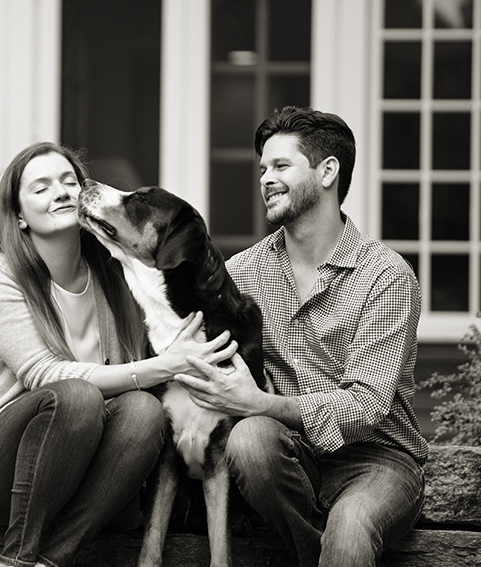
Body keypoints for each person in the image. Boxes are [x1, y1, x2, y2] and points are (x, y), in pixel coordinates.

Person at [0, 141, 234, 567]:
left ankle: (53, 559)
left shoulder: (113, 276)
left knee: (144, 409)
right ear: (17, 215)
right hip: (0, 471)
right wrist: (165, 365)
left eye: (70, 181)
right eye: (42, 187)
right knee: (75, 395)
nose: (62, 191)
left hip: (85, 472)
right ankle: (16, 559)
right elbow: (42, 374)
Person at [175, 106, 428, 567]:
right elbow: (205, 360)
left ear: (327, 171)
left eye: (281, 166)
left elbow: (365, 407)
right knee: (249, 439)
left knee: (351, 527)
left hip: (378, 459)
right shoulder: (244, 272)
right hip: (286, 462)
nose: (265, 179)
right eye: (262, 169)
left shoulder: (385, 275)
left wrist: (261, 404)